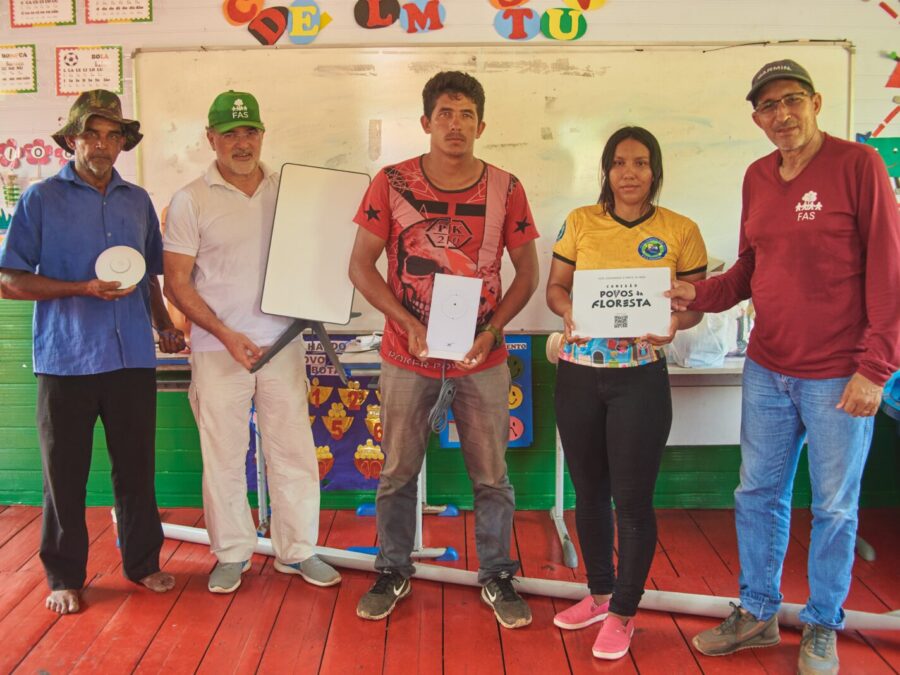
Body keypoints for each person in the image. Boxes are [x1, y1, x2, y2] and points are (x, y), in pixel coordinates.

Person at [670, 60, 900, 675]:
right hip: (767, 367)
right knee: (757, 493)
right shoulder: (757, 176)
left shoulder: (859, 166)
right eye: (768, 106)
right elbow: (751, 266)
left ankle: (823, 623)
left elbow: (889, 270)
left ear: (815, 102)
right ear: (756, 118)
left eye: (792, 100)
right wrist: (700, 293)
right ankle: (757, 612)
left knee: (834, 507)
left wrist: (876, 368)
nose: (782, 115)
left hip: (840, 374)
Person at [349, 71, 540, 628]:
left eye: (466, 115)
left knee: (492, 477)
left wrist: (493, 331)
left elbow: (528, 273)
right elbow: (360, 266)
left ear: (482, 125)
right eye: (445, 114)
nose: (456, 125)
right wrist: (405, 322)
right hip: (406, 356)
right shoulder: (391, 183)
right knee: (396, 472)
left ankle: (497, 574)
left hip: (482, 358)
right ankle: (392, 569)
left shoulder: (507, 188)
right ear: (426, 121)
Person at [0, 90, 184, 614]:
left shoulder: (137, 200)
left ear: (123, 143)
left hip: (131, 359)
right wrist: (80, 288)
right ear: (72, 140)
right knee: (64, 475)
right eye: (91, 134)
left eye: (112, 135)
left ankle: (143, 564)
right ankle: (64, 576)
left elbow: (148, 276)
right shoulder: (41, 199)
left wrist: (164, 325)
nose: (102, 144)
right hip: (67, 358)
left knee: (136, 470)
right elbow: (9, 280)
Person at [163, 90, 340, 593]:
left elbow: (322, 256)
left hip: (283, 345)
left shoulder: (292, 192)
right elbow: (176, 282)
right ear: (211, 138)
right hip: (217, 350)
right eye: (230, 134)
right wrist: (224, 333)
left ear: (262, 135)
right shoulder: (191, 199)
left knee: (293, 453)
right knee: (223, 456)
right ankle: (232, 553)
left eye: (250, 132)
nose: (241, 143)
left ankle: (297, 550)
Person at [547, 126, 707, 659]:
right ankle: (598, 595)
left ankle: (623, 612)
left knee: (633, 501)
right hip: (578, 374)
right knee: (588, 493)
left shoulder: (681, 230)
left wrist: (676, 322)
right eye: (619, 163)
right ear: (606, 170)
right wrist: (569, 310)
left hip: (640, 377)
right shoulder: (580, 222)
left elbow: (693, 305)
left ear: (654, 170)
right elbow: (555, 288)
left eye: (640, 162)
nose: (629, 173)